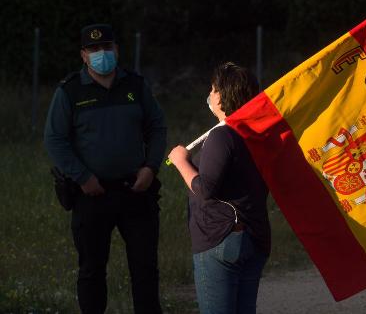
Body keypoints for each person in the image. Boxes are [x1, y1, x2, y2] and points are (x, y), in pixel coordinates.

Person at [44, 24, 166, 314]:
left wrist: (150, 167)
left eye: (107, 47)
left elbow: (157, 127)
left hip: (135, 190)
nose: (102, 54)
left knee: (145, 269)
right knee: (91, 271)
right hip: (92, 194)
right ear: (84, 55)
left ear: (117, 50)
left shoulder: (135, 86)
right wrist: (83, 177)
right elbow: (55, 140)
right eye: (95, 49)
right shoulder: (70, 91)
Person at [167, 62, 270, 314]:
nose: (210, 95)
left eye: (214, 89)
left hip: (221, 238)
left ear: (224, 96)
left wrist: (181, 162)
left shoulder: (222, 136)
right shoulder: (258, 134)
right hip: (254, 237)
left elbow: (205, 188)